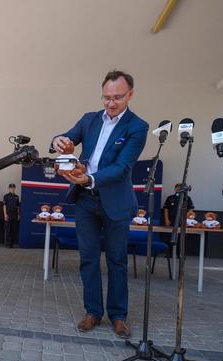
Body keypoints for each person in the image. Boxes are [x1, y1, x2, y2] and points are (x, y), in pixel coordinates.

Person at [51, 70, 148, 337]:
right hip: (84, 201)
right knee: (88, 258)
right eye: (106, 97)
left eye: (117, 97)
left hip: (114, 201)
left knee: (117, 260)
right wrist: (57, 141)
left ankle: (118, 315)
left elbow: (122, 167)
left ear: (130, 94)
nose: (110, 103)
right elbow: (66, 138)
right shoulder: (89, 119)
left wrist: (89, 178)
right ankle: (93, 312)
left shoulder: (138, 127)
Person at [3, 183, 21, 247]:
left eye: (13, 187)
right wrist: (5, 214)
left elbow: (18, 206)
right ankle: (7, 243)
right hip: (8, 213)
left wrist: (18, 214)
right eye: (11, 187)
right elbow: (4, 206)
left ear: (15, 188)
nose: (12, 189)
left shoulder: (17, 196)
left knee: (13, 229)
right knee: (8, 229)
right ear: (9, 188)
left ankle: (12, 243)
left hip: (15, 214)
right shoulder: (6, 196)